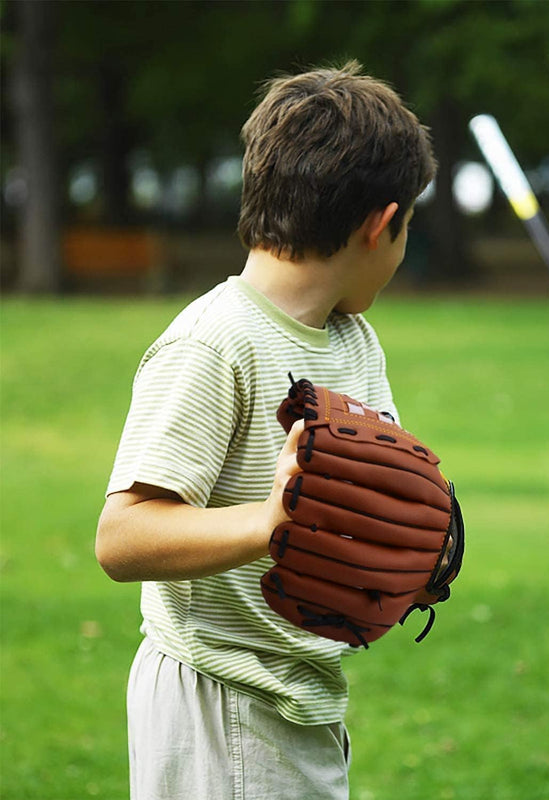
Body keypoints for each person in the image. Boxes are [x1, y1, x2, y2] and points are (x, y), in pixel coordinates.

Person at [95, 61, 436, 799]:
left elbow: (368, 499)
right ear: (380, 224)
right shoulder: (215, 344)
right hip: (216, 695)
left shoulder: (352, 341)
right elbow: (121, 540)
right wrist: (270, 523)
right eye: (407, 227)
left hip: (296, 690)